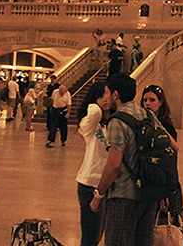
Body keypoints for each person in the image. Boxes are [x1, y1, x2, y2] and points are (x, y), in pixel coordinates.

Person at [89, 73, 159, 246]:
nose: (105, 97)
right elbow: (171, 146)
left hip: (124, 197)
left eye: (107, 93)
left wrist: (99, 194)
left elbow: (113, 165)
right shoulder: (148, 116)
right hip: (149, 195)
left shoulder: (118, 121)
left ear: (115, 94)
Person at [76, 82, 111, 246]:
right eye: (101, 95)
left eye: (107, 95)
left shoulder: (113, 124)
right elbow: (93, 113)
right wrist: (96, 104)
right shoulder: (91, 125)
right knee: (90, 236)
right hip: (89, 183)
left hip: (105, 184)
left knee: (98, 235)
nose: (105, 99)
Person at [141, 84, 182, 214]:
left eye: (152, 100)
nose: (147, 103)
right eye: (145, 100)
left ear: (161, 102)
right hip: (146, 179)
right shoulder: (143, 123)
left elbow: (171, 154)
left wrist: (166, 192)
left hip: (162, 182)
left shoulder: (166, 126)